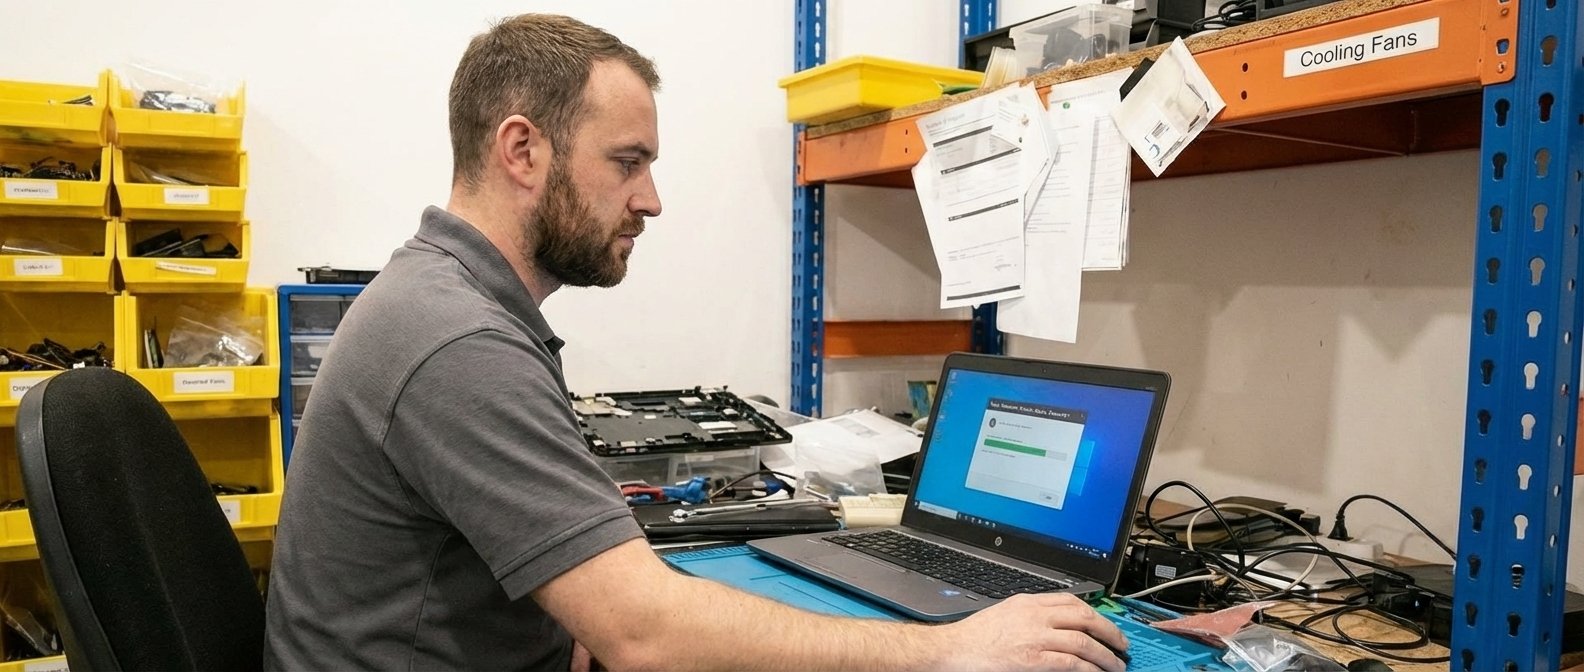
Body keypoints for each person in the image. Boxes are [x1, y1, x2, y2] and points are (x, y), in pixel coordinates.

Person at [263, 13, 1130, 672]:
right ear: (522, 151)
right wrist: (948, 648)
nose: (651, 200)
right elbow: (642, 631)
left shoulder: (444, 299)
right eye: (627, 161)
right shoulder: (455, 340)